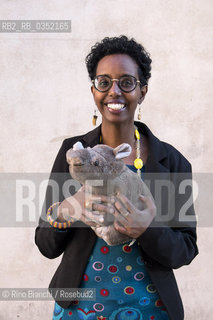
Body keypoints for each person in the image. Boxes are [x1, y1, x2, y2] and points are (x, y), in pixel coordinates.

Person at [35, 36, 198, 320]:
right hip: (79, 309)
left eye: (126, 82)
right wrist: (67, 209)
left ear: (142, 91)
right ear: (93, 90)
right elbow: (46, 244)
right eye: (104, 82)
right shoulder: (72, 153)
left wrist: (148, 229)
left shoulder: (172, 162)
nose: (114, 91)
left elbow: (185, 250)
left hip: (151, 309)